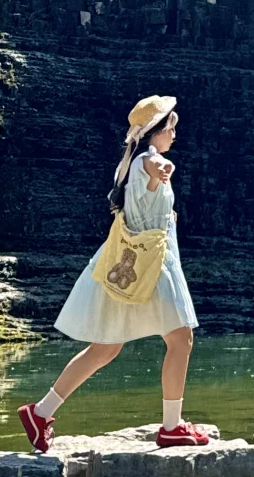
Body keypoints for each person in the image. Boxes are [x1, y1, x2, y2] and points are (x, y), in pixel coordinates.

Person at [18, 94, 208, 452]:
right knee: (180, 339)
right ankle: (171, 427)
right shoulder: (146, 161)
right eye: (171, 128)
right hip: (151, 264)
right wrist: (160, 170)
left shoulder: (132, 163)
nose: (175, 135)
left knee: (106, 348)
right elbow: (153, 167)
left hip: (131, 262)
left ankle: (41, 412)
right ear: (155, 131)